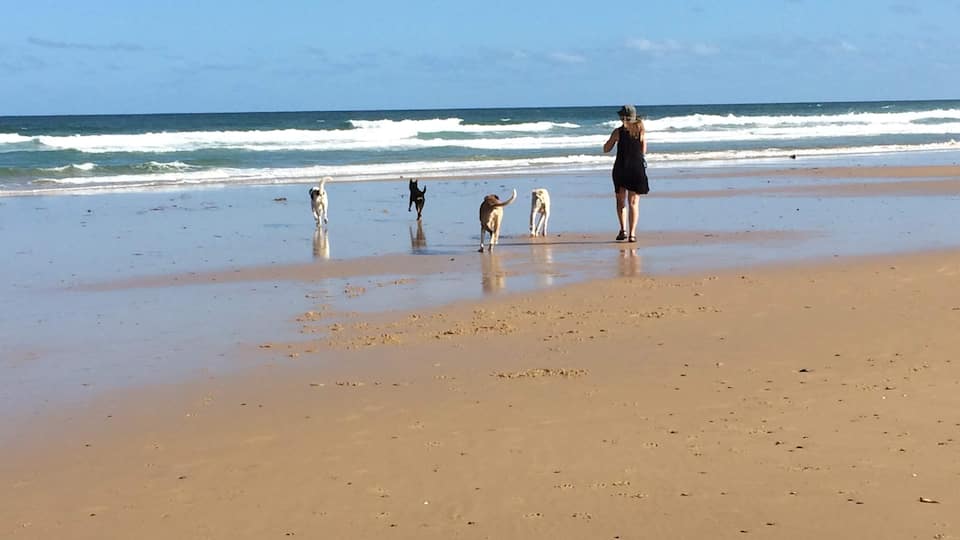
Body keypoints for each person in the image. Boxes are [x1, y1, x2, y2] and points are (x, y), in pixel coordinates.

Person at [602, 104, 649, 242]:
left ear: (622, 117)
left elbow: (606, 149)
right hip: (636, 168)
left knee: (620, 201)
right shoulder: (641, 130)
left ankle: (623, 230)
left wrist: (611, 141)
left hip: (621, 168)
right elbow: (643, 151)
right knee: (633, 203)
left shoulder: (618, 132)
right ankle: (632, 234)